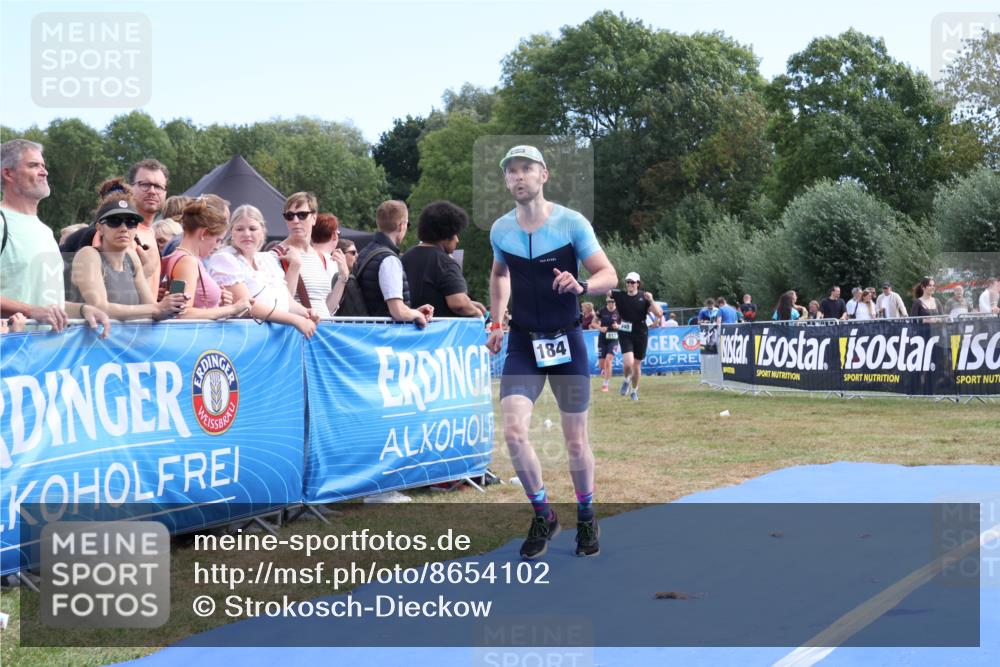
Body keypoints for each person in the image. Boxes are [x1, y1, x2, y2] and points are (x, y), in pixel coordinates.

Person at [486, 145, 617, 559]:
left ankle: (586, 513)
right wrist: (496, 321)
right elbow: (498, 274)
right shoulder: (500, 230)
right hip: (524, 341)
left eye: (526, 169)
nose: (519, 176)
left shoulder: (571, 223)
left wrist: (582, 287)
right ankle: (543, 512)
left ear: (544, 174)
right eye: (512, 171)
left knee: (575, 441)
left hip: (566, 340)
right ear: (506, 181)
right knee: (513, 431)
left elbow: (607, 274)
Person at [0, 139, 110, 336]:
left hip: (47, 358)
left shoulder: (45, 231)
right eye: (33, 165)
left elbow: (49, 304)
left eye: (43, 165)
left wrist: (84, 310)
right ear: (8, 173)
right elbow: (37, 309)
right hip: (9, 356)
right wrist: (31, 311)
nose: (44, 172)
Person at [70, 191, 187, 321]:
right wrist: (157, 308)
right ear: (99, 228)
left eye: (131, 222)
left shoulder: (131, 257)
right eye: (114, 221)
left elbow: (151, 306)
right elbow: (100, 308)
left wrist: (170, 305)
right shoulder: (89, 254)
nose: (124, 228)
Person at [207, 204, 319, 337]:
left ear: (262, 231)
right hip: (243, 337)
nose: (247, 234)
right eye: (240, 229)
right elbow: (247, 306)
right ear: (232, 232)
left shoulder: (268, 259)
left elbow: (286, 300)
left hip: (276, 337)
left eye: (253, 228)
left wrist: (306, 312)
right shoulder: (224, 259)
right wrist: (295, 320)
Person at [162, 196, 250, 320]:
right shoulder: (188, 261)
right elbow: (183, 314)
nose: (217, 246)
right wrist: (232, 309)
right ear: (204, 233)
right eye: (218, 240)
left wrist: (220, 305)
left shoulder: (184, 258)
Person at [401, 200, 486, 318]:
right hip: (440, 333)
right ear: (445, 235)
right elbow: (459, 304)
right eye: (455, 234)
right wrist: (478, 315)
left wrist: (470, 304)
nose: (457, 240)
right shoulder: (445, 263)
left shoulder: (405, 257)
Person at [356, 200, 435, 325]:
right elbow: (397, 311)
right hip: (385, 336)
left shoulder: (364, 253)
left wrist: (412, 312)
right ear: (401, 226)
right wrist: (417, 314)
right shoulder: (389, 260)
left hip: (368, 332)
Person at [271, 193, 345, 318]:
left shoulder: (323, 258)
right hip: (296, 333)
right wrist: (294, 266)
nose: (295, 221)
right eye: (289, 216)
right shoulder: (276, 256)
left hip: (322, 331)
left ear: (314, 218)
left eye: (302, 215)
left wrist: (343, 277)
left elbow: (327, 308)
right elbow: (281, 305)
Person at [611, 272, 662, 401]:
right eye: (628, 282)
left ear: (638, 284)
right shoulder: (620, 295)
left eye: (633, 282)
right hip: (625, 331)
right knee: (628, 362)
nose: (630, 284)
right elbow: (605, 289)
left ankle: (634, 391)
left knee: (637, 365)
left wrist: (651, 299)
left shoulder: (644, 297)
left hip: (640, 332)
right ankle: (626, 380)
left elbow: (659, 314)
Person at [596, 294, 622, 392]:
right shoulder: (602, 311)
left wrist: (618, 326)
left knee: (608, 361)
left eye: (612, 302)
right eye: (609, 302)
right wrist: (600, 328)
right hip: (602, 339)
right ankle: (604, 371)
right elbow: (593, 323)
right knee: (601, 364)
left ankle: (606, 384)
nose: (610, 304)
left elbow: (627, 324)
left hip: (614, 339)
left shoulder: (620, 311)